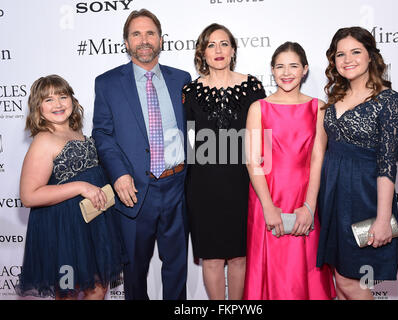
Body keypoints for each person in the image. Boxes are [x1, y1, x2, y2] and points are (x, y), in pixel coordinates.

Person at [92, 9, 191, 300]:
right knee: (134, 271)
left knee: (177, 268)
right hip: (134, 189)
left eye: (150, 33)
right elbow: (102, 134)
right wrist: (120, 174)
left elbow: (194, 130)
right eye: (136, 34)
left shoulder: (182, 79)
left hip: (177, 187)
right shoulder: (107, 83)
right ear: (126, 42)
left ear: (161, 39)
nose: (144, 40)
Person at [16, 75, 126, 300]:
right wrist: (80, 186)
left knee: (98, 288)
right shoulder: (43, 141)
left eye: (62, 96)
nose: (57, 104)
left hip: (93, 226)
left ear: (73, 101)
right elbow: (29, 196)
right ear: (38, 108)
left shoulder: (79, 134)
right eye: (48, 100)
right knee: (67, 292)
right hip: (64, 231)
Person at [316, 27, 398, 300]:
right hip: (332, 197)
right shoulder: (332, 101)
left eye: (355, 51)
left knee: (351, 283)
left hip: (365, 197)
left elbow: (387, 165)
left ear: (371, 56)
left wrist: (382, 218)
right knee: (340, 280)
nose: (347, 59)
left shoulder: (389, 101)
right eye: (340, 54)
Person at [243, 42, 336, 300]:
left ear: (305, 70)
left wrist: (309, 205)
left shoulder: (318, 107)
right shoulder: (258, 108)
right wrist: (268, 206)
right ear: (272, 70)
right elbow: (253, 162)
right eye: (280, 66)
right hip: (267, 197)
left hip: (305, 197)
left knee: (305, 269)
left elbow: (318, 158)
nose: (287, 72)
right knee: (269, 269)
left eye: (294, 65)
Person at [182, 23, 266, 300]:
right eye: (211, 45)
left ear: (233, 50)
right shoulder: (190, 91)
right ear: (202, 53)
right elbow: (190, 144)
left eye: (224, 44)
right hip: (203, 188)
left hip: (244, 184)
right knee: (212, 259)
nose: (218, 50)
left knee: (240, 257)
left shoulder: (252, 86)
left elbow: (263, 138)